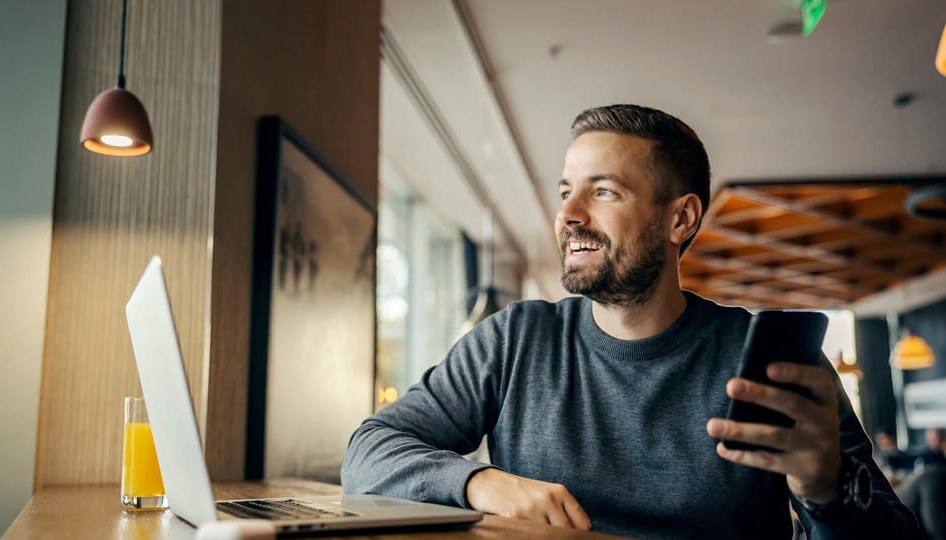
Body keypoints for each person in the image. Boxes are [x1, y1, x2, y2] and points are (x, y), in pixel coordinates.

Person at [341, 104, 921, 539]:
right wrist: (478, 483)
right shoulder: (515, 339)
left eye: (603, 191)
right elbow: (368, 451)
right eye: (567, 191)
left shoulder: (763, 361)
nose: (567, 215)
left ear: (681, 219)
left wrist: (826, 491)